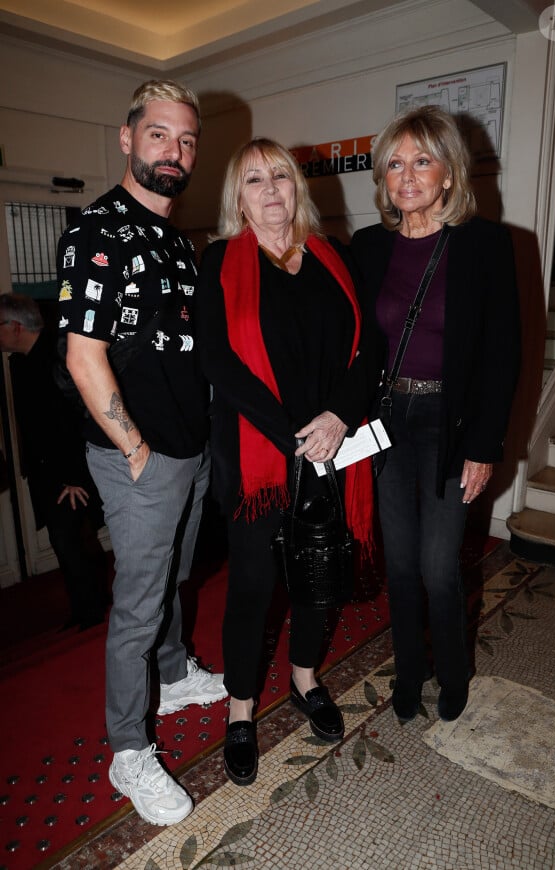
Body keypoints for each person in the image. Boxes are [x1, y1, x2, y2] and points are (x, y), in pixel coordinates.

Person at [57, 80, 227, 827]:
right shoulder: (98, 229)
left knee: (174, 577)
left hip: (190, 450)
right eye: (159, 135)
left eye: (187, 140)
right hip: (142, 457)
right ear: (128, 139)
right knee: (138, 603)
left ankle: (174, 670)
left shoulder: (173, 237)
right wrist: (134, 449)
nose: (175, 151)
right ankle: (128, 749)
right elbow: (81, 357)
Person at [196, 137, 377, 786]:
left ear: (297, 186)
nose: (270, 189)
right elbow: (217, 361)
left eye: (279, 175)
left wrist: (335, 418)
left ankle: (304, 679)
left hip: (334, 445)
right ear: (237, 199)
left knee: (319, 571)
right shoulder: (219, 260)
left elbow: (368, 351)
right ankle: (240, 710)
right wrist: (292, 434)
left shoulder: (335, 257)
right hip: (260, 456)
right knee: (251, 587)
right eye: (253, 180)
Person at [351, 105, 520, 724]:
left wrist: (485, 445)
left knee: (436, 566)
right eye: (395, 163)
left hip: (450, 426)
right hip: (387, 423)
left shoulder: (484, 245)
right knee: (397, 564)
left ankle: (451, 672)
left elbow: (503, 355)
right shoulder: (369, 248)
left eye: (422, 160)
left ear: (449, 173)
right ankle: (409, 672)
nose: (408, 175)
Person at [0, 293, 106, 630]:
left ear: (15, 327)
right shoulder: (22, 362)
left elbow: (75, 420)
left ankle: (89, 615)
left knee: (70, 542)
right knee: (66, 543)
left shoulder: (55, 358)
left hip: (68, 474)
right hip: (48, 471)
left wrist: (74, 476)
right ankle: (86, 609)